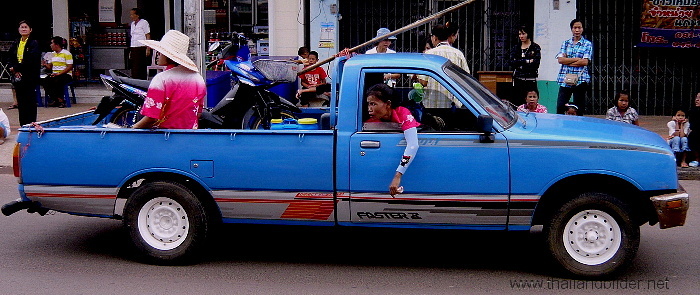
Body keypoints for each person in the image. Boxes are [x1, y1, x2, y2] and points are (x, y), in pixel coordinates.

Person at [132, 30, 206, 129]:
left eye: (161, 51)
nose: (157, 53)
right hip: (189, 136)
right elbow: (198, 113)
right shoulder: (198, 79)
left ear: (168, 55)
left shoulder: (161, 79)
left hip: (164, 138)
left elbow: (152, 117)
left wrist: (133, 129)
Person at [364, 83, 420, 196]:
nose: (369, 108)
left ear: (388, 104)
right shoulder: (370, 123)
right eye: (368, 104)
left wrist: (397, 176)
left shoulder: (403, 113)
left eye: (373, 104)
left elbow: (413, 145)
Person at [423, 24, 470, 108]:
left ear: (434, 37)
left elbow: (424, 82)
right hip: (453, 105)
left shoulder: (429, 54)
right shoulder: (458, 54)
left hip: (432, 105)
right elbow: (466, 79)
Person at [556, 19, 593, 114]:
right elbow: (560, 60)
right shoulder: (566, 43)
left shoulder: (587, 44)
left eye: (579, 28)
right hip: (565, 78)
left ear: (582, 29)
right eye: (575, 28)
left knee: (579, 107)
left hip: (580, 79)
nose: (577, 30)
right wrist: (577, 59)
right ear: (571, 29)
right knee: (560, 106)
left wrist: (567, 60)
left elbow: (585, 62)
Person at [7, 20, 40, 126]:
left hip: (29, 75)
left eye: (26, 27)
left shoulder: (33, 43)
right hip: (18, 76)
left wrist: (18, 68)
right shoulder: (16, 42)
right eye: (22, 27)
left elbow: (31, 59)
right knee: (21, 101)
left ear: (30, 30)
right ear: (18, 29)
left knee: (29, 100)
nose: (24, 29)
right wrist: (13, 69)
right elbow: (10, 57)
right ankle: (23, 124)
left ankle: (31, 123)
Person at [509, 25, 541, 106]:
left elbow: (535, 64)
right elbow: (512, 62)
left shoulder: (535, 47)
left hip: (530, 80)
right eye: (520, 34)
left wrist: (520, 62)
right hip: (518, 80)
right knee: (517, 103)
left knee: (531, 104)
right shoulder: (516, 48)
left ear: (528, 34)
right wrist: (527, 61)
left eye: (523, 34)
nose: (521, 36)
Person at [43, 36, 73, 108]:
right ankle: (57, 99)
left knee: (58, 81)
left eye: (52, 43)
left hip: (65, 74)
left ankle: (60, 100)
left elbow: (69, 66)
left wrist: (59, 73)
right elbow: (50, 67)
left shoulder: (67, 53)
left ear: (57, 44)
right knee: (45, 81)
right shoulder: (52, 54)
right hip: (55, 74)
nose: (51, 45)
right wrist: (45, 64)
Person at [129, 8, 151, 80]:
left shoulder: (144, 22)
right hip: (134, 46)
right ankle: (134, 80)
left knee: (140, 66)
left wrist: (148, 48)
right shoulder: (132, 24)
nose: (131, 16)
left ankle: (142, 81)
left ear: (137, 15)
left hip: (141, 47)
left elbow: (147, 35)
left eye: (132, 14)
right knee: (134, 65)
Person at [686, 92, 700, 166]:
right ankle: (696, 159)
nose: (697, 100)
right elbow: (692, 126)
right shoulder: (693, 111)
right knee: (694, 135)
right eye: (696, 98)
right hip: (696, 132)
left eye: (699, 98)